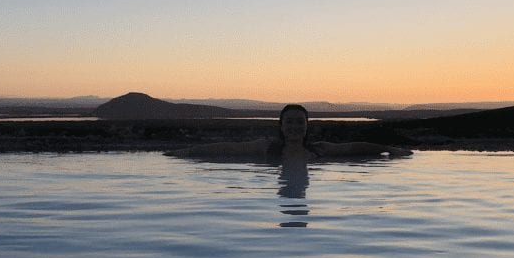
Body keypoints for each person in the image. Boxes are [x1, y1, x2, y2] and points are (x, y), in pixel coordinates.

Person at [165, 104, 412, 160]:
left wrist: (390, 150)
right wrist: (185, 152)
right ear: (281, 126)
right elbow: (224, 148)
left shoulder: (319, 150)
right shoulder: (266, 148)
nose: (294, 127)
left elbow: (358, 147)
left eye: (299, 122)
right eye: (289, 122)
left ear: (307, 125)